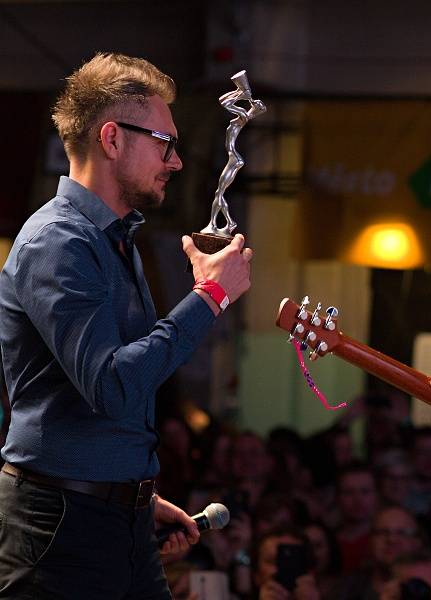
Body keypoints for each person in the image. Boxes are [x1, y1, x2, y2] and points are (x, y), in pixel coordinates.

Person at [0, 52, 252, 597]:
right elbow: (113, 386)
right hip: (62, 526)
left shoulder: (113, 238)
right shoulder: (58, 242)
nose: (176, 162)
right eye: (165, 143)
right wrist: (210, 296)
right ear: (112, 139)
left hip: (112, 513)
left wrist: (134, 495)